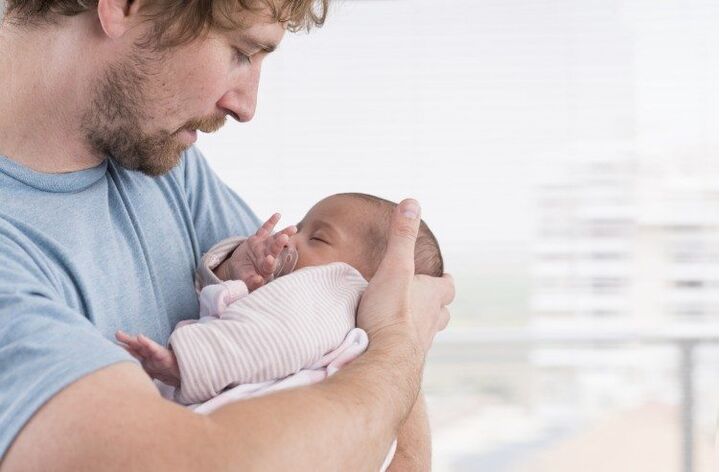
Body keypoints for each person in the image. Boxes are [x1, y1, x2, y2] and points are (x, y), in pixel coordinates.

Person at [0, 1, 454, 470]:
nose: (246, 107)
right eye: (241, 51)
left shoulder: (157, 160)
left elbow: (347, 316)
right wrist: (400, 347)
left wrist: (387, 351)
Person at [116, 193, 445, 406]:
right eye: (299, 226)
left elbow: (276, 338)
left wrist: (188, 364)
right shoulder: (299, 301)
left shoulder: (339, 289)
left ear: (373, 281)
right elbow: (244, 318)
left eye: (317, 237)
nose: (290, 237)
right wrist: (235, 268)